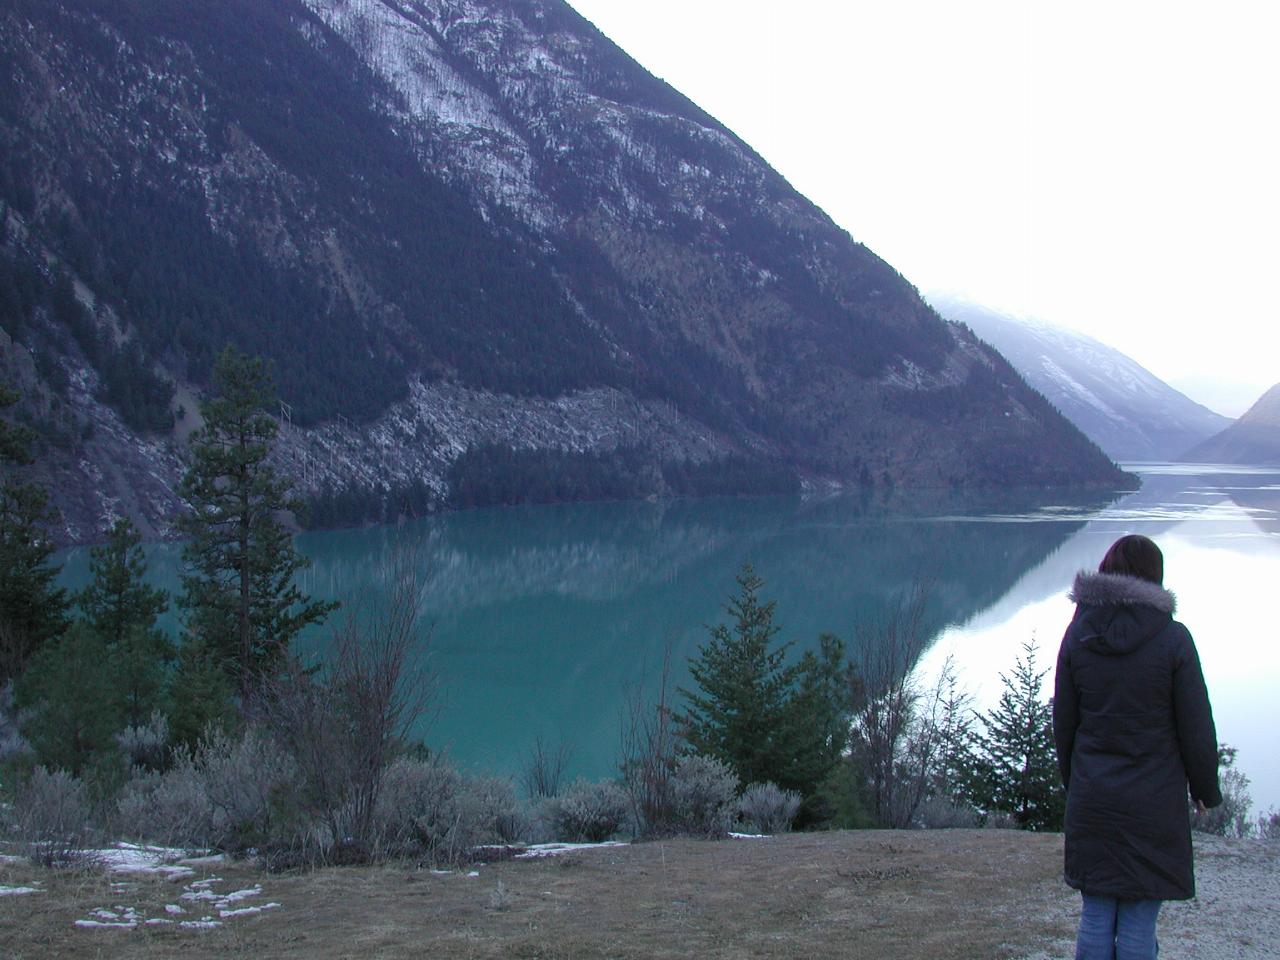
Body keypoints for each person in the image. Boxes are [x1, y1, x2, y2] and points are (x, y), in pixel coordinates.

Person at [1053, 534, 1222, 960]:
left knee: (1095, 914)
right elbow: (1196, 726)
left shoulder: (1078, 635)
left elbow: (1065, 724)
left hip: (1094, 797)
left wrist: (1076, 784)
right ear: (1154, 578)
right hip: (1153, 801)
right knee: (1138, 921)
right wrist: (1204, 789)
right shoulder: (1174, 640)